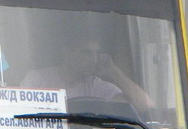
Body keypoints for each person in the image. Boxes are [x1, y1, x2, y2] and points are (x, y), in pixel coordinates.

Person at [21, 39, 154, 114]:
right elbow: (19, 114)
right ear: (66, 52)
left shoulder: (97, 86)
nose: (94, 60)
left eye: (96, 54)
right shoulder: (37, 79)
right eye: (87, 53)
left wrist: (114, 72)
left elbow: (146, 106)